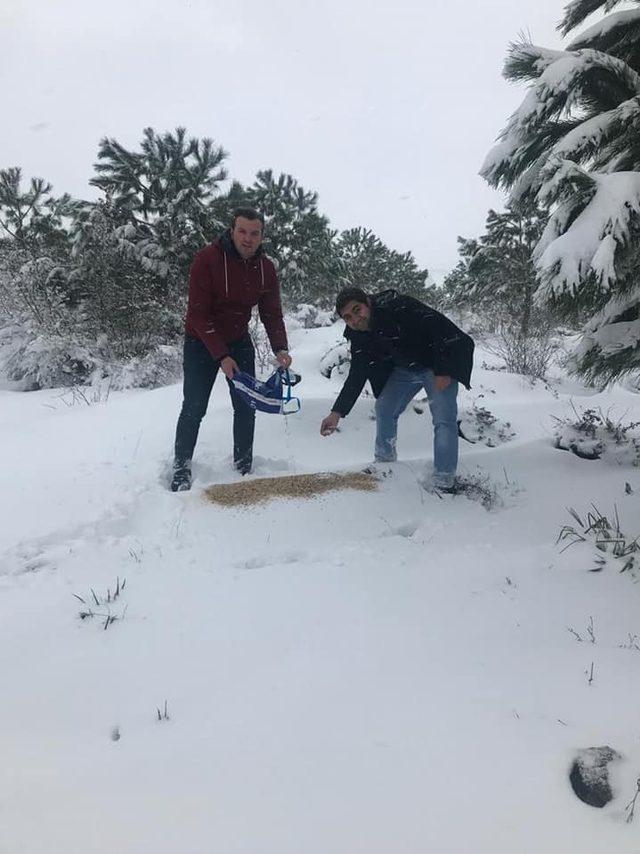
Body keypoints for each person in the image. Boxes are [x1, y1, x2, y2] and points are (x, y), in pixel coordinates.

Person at [170, 208, 291, 492]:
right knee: (194, 407)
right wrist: (221, 356)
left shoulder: (266, 269)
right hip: (201, 341)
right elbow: (198, 314)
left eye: (255, 233)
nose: (248, 239)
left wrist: (281, 348)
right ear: (232, 230)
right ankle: (181, 466)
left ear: (261, 236)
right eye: (242, 231)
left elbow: (271, 313)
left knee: (246, 405)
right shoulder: (207, 259)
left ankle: (244, 464)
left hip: (239, 340)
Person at [320, 287, 474, 491]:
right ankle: (385, 464)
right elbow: (357, 373)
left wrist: (444, 370)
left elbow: (439, 329)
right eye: (348, 317)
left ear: (368, 302)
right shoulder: (357, 334)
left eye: (357, 310)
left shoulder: (398, 306)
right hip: (406, 369)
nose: (355, 319)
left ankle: (444, 480)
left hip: (435, 364)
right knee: (384, 407)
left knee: (444, 419)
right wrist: (336, 412)